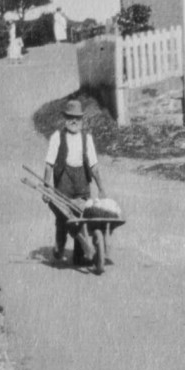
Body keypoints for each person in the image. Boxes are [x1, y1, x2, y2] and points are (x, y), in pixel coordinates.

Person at [43, 98, 106, 264]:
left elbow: (93, 166)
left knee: (81, 217)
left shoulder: (87, 138)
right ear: (65, 118)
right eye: (70, 117)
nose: (73, 121)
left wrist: (101, 188)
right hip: (63, 183)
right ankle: (60, 244)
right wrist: (46, 187)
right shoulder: (57, 137)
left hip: (81, 184)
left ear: (82, 119)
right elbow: (49, 164)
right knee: (63, 217)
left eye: (77, 118)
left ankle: (80, 254)